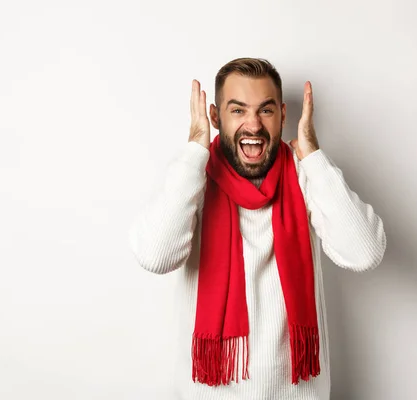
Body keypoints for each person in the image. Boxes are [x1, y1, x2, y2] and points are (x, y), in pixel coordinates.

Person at [128, 57, 386, 400]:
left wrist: (313, 156)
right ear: (216, 117)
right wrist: (194, 151)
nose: (253, 125)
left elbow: (365, 253)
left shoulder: (304, 172)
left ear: (282, 115)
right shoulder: (193, 176)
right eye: (237, 111)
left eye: (265, 111)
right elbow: (154, 255)